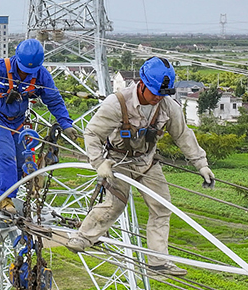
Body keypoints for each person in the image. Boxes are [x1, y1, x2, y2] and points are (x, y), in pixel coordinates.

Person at [64, 56, 214, 277]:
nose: (157, 98)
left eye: (162, 94)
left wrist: (201, 164)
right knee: (115, 204)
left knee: (162, 207)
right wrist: (99, 163)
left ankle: (158, 262)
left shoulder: (167, 106)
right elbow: (93, 133)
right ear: (142, 84)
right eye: (154, 93)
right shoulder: (117, 103)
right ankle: (83, 237)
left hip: (147, 161)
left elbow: (183, 135)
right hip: (119, 160)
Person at [0, 38, 74, 210]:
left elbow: (54, 100)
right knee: (6, 155)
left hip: (17, 122)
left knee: (20, 161)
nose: (26, 73)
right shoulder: (0, 67)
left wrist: (66, 124)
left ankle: (13, 193)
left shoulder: (41, 75)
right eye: (24, 69)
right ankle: (5, 198)